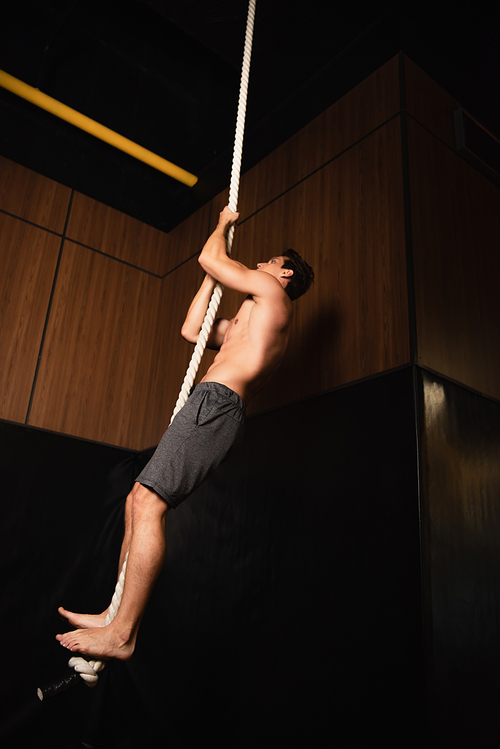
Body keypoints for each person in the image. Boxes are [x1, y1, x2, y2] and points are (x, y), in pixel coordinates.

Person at [56, 206, 314, 661]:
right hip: (207, 404)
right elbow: (191, 329)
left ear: (284, 272)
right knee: (139, 499)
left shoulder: (275, 296)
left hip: (216, 406)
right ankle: (114, 613)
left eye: (270, 262)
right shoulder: (246, 318)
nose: (262, 264)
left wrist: (221, 226)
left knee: (149, 504)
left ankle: (123, 634)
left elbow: (212, 259)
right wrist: (212, 279)